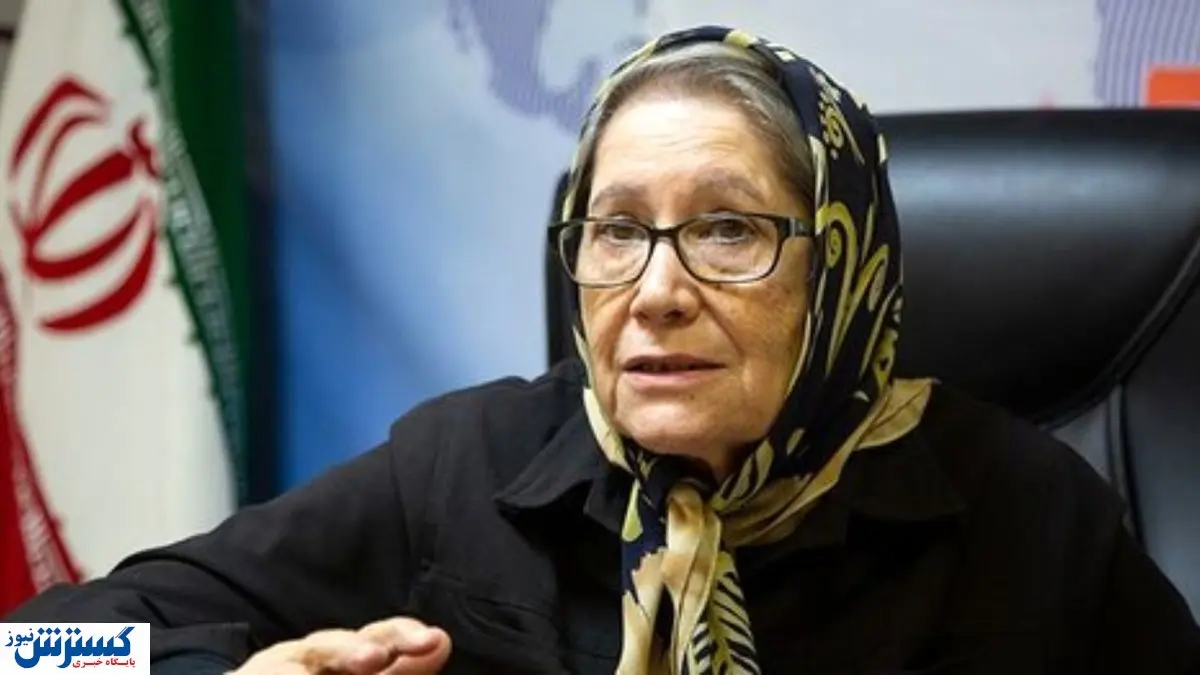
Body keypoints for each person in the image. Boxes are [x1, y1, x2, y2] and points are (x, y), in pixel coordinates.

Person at [7, 25, 1200, 675]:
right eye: (617, 231)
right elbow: (41, 651)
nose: (657, 291)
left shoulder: (1027, 512)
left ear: (840, 270)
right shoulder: (467, 467)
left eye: (728, 231)